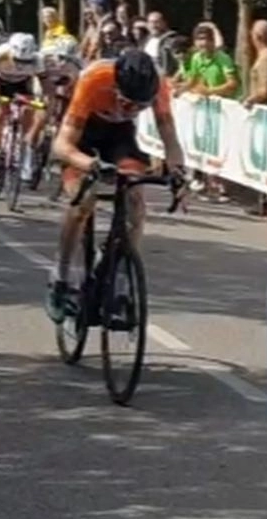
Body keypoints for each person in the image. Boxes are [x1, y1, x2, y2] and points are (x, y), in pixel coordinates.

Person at [45, 50, 185, 322]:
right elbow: (62, 146)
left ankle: (119, 273)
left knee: (135, 199)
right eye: (127, 102)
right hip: (83, 135)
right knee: (81, 201)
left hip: (120, 137)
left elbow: (169, 135)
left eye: (139, 107)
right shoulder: (94, 80)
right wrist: (90, 165)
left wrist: (178, 173)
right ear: (116, 86)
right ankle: (61, 276)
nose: (131, 110)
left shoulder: (158, 85)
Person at [0, 32, 45, 183]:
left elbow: (47, 86)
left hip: (22, 84)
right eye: (18, 60)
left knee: (28, 112)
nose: (20, 64)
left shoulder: (37, 59)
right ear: (11, 52)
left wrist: (46, 102)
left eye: (25, 62)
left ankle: (25, 160)